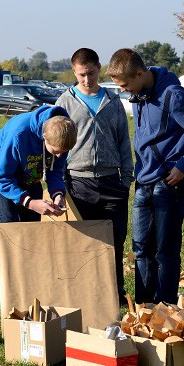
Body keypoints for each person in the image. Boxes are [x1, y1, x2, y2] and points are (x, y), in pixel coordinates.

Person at [107, 48, 184, 305]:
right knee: (141, 249)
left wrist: (183, 164)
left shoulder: (172, 95)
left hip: (168, 182)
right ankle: (145, 308)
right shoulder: (140, 95)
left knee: (165, 251)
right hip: (143, 180)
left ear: (140, 74)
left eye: (124, 85)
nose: (122, 90)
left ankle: (165, 307)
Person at [55, 48, 133, 305]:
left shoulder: (113, 101)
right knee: (85, 243)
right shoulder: (64, 102)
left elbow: (124, 141)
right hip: (79, 182)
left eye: (90, 73)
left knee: (115, 242)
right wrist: (63, 183)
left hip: (113, 182)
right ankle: (87, 293)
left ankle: (116, 293)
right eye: (80, 75)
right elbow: (57, 143)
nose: (86, 80)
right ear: (74, 73)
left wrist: (125, 181)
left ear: (99, 68)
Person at [0, 106, 77, 223]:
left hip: (31, 171)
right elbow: (2, 177)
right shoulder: (18, 134)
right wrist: (31, 203)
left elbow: (55, 169)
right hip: (4, 173)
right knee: (10, 225)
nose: (59, 156)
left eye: (63, 152)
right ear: (44, 137)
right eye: (56, 152)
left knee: (32, 224)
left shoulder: (64, 135)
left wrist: (57, 194)